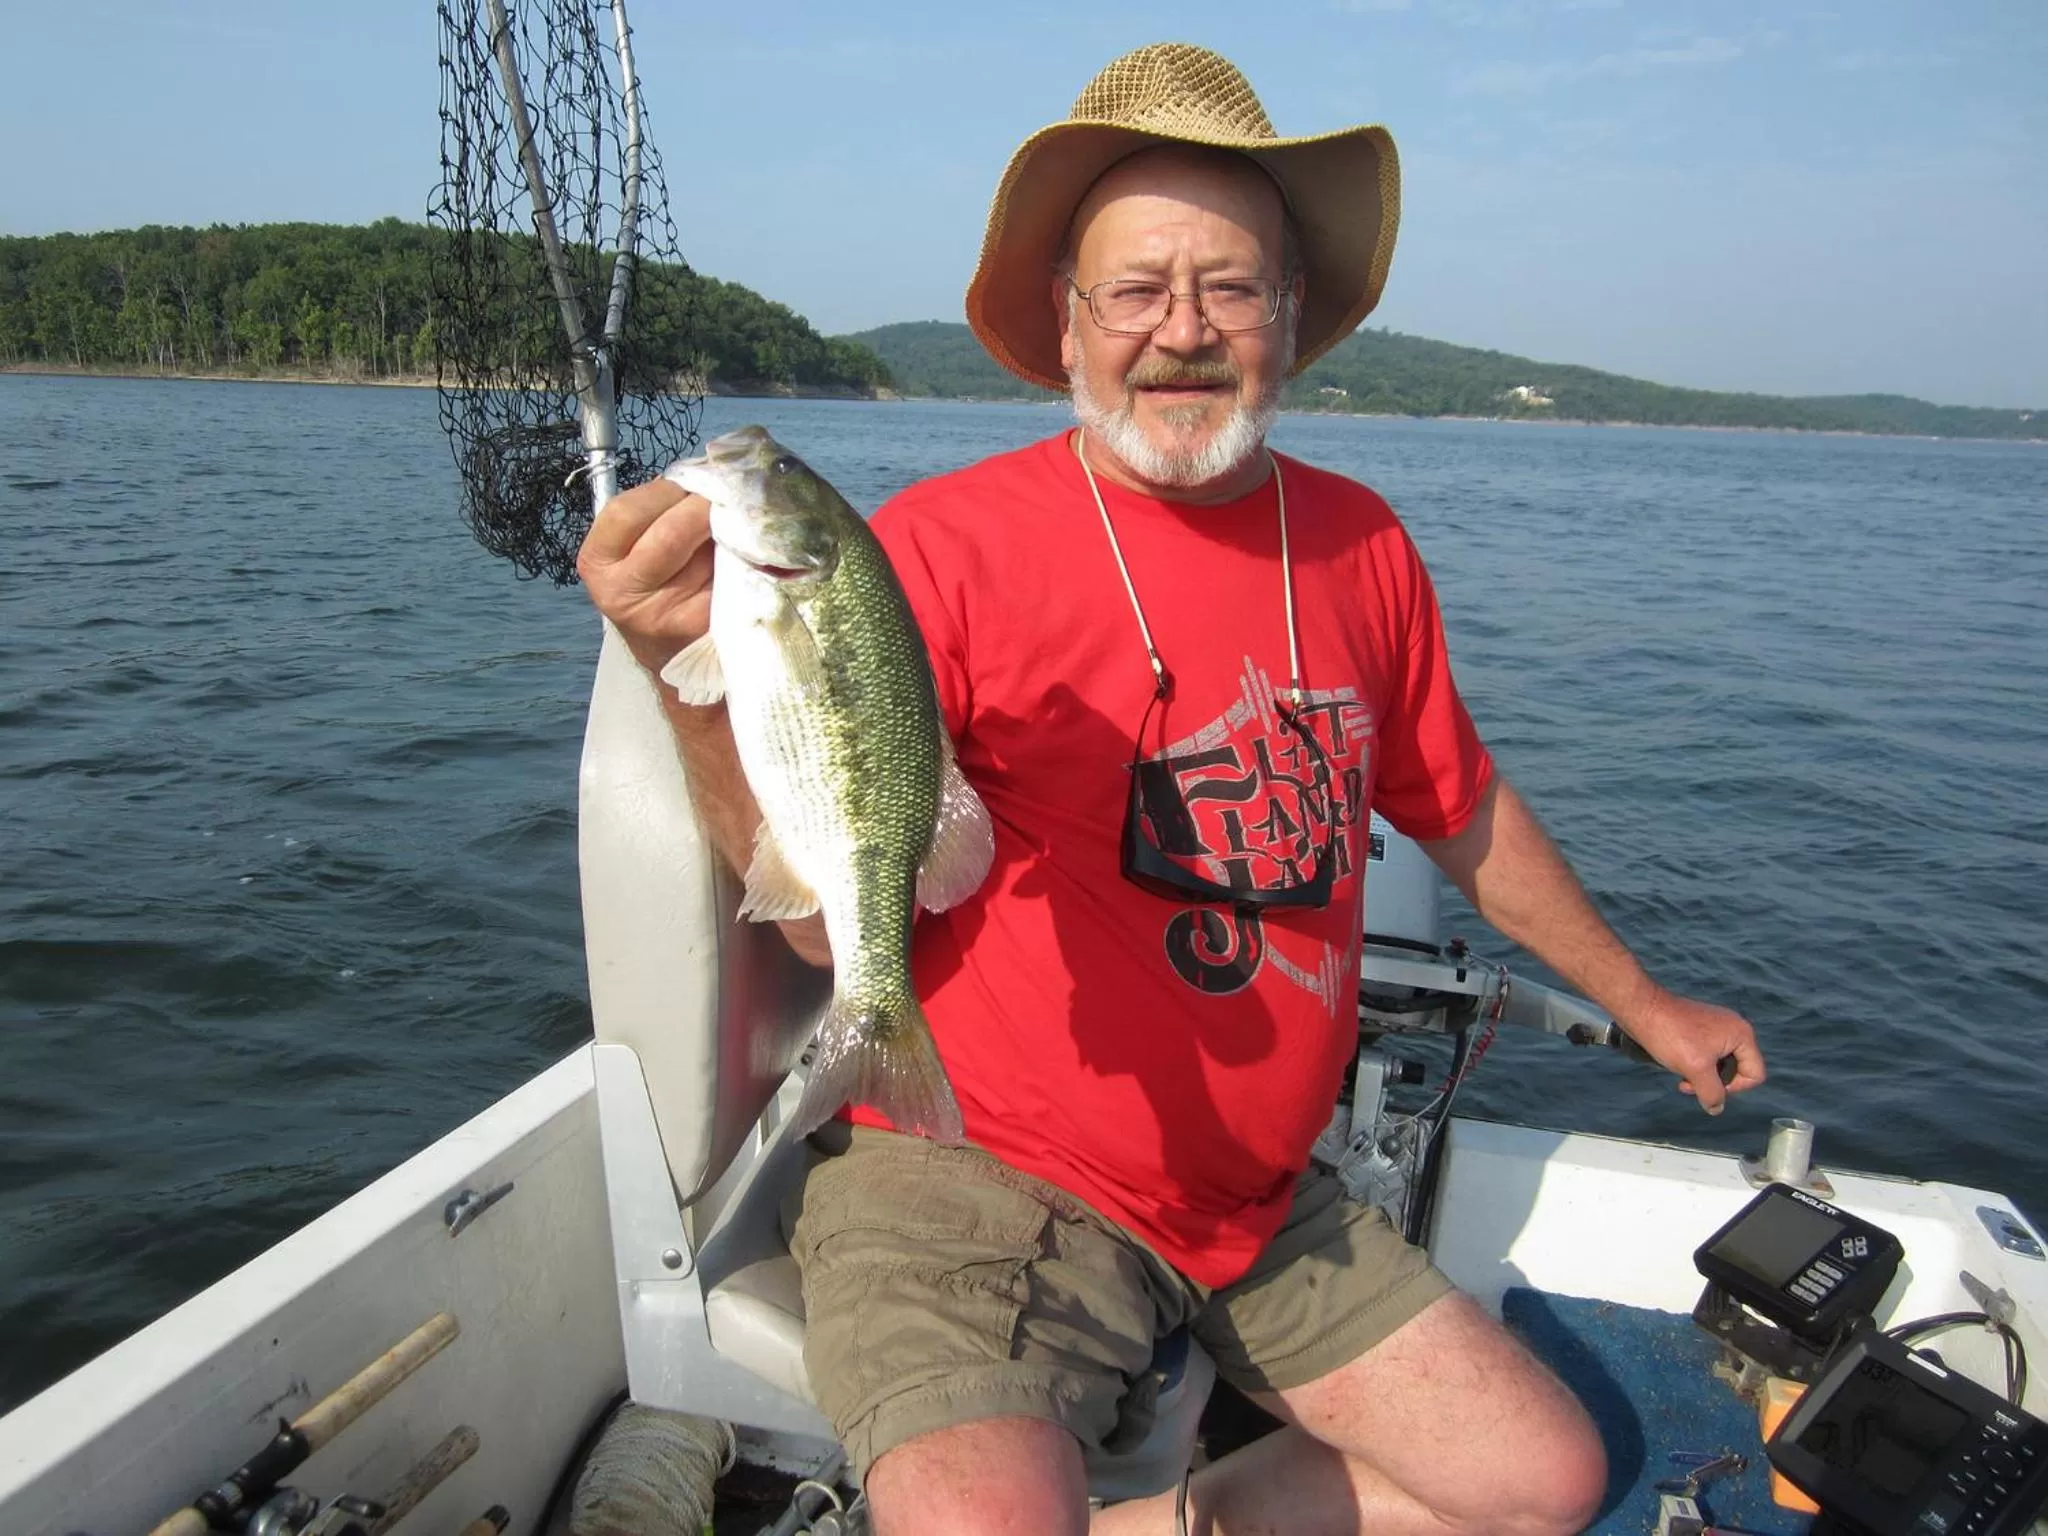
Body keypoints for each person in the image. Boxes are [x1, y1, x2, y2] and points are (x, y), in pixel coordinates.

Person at [578, 43, 1766, 1536]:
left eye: (1231, 288)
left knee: (1542, 1485)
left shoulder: (1362, 547)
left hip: (1261, 1197)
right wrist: (673, 663)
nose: (1182, 333)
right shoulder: (934, 552)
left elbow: (1460, 808)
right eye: (1135, 291)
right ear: (1068, 327)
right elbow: (823, 925)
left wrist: (1646, 1000)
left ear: (1289, 319)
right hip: (976, 1178)